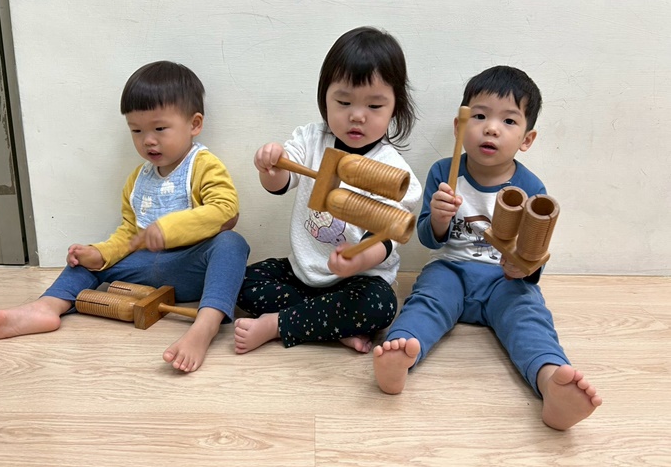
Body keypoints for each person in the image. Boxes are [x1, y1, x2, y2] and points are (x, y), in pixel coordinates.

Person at [0, 60, 250, 373]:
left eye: (160, 129)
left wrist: (168, 228)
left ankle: (205, 325)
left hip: (191, 267)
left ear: (194, 124)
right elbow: (128, 234)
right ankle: (46, 307)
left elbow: (226, 209)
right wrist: (100, 253)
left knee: (232, 243)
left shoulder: (203, 165)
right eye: (137, 130)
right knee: (85, 261)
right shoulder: (137, 180)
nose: (148, 140)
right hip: (145, 266)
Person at [373, 65, 602, 430]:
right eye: (479, 116)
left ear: (527, 139)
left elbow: (533, 254)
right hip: (451, 270)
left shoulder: (532, 188)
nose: (492, 128)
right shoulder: (444, 173)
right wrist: (438, 218)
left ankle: (550, 382)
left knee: (528, 317)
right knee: (428, 300)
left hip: (502, 280)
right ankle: (401, 353)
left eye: (509, 121)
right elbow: (427, 238)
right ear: (459, 126)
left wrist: (522, 269)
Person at [235, 26, 422, 355]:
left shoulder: (395, 173)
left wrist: (356, 259)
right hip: (304, 272)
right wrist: (270, 166)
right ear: (325, 97)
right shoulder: (311, 140)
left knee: (380, 306)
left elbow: (386, 238)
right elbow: (279, 183)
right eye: (344, 101)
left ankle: (279, 324)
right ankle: (329, 326)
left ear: (395, 107)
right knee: (242, 282)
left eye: (374, 106)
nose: (357, 115)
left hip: (358, 279)